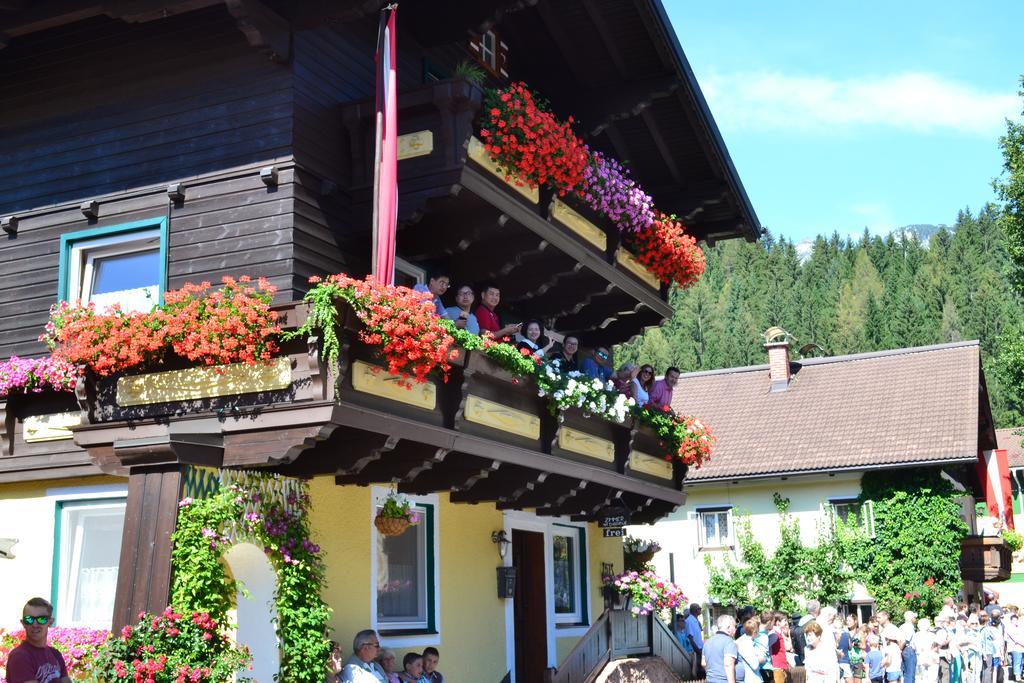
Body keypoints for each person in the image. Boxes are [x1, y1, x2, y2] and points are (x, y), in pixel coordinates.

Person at [5, 598, 71, 683]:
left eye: (41, 619)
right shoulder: (20, 656)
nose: (34, 624)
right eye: (29, 619)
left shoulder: (55, 654)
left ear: (50, 622)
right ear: (23, 623)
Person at [704, 614, 742, 683]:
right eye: (734, 626)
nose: (736, 629)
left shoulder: (708, 642)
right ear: (728, 627)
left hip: (710, 680)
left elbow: (703, 663)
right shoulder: (729, 641)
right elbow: (728, 664)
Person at [738, 618, 767, 683]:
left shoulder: (748, 642)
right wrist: (761, 659)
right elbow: (754, 665)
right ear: (755, 632)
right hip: (751, 679)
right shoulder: (746, 644)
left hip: (755, 678)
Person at [770, 612, 792, 683]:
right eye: (784, 620)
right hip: (777, 666)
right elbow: (788, 647)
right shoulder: (774, 633)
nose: (786, 622)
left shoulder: (778, 632)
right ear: (778, 623)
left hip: (781, 665)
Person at [686, 603, 707, 671]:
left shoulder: (695, 620)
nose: (700, 610)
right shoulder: (689, 621)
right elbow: (690, 638)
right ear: (695, 610)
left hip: (700, 649)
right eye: (699, 608)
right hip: (695, 651)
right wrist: (698, 651)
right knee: (698, 672)